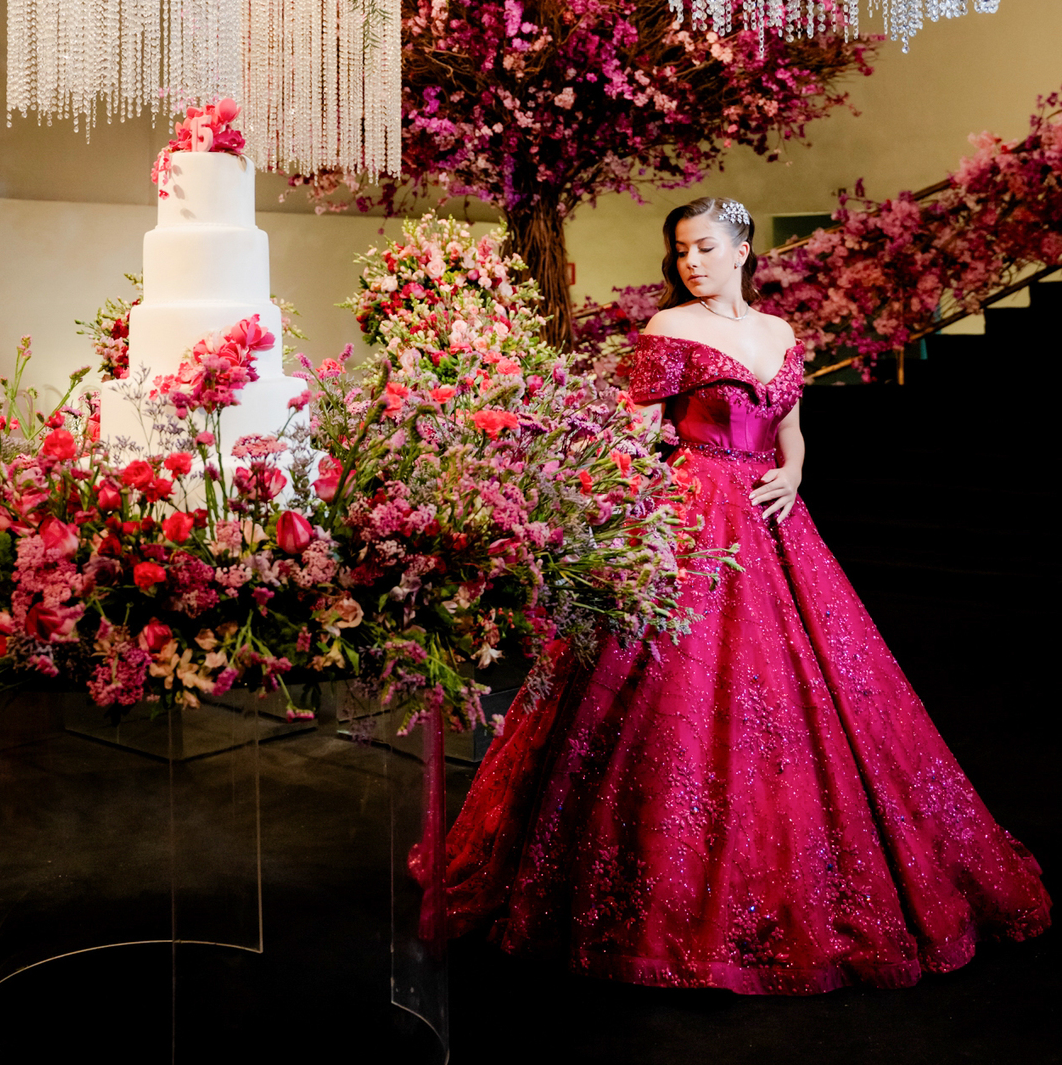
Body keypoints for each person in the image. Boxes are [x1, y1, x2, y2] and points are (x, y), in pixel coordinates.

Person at [441, 195, 1050, 992]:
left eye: (704, 247)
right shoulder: (670, 328)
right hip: (690, 513)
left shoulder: (779, 333)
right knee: (671, 685)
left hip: (771, 516)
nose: (690, 261)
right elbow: (635, 434)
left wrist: (793, 474)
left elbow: (791, 430)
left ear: (742, 249)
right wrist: (606, 514)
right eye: (680, 250)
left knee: (819, 688)